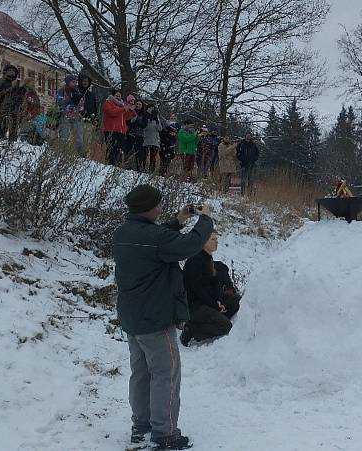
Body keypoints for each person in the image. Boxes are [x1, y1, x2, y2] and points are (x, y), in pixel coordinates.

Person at [113, 184, 213, 450]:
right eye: (158, 204)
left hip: (133, 318)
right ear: (148, 208)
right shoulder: (154, 238)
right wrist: (205, 219)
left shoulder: (123, 232)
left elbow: (153, 241)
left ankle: (141, 426)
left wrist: (177, 221)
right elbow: (190, 246)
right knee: (165, 375)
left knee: (141, 373)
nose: (161, 207)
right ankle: (165, 433)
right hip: (156, 319)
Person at [181, 232, 241, 345]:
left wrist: (218, 301)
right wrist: (215, 305)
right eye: (213, 239)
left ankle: (216, 317)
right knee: (225, 326)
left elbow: (215, 283)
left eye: (216, 239)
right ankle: (192, 329)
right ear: (203, 242)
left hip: (209, 301)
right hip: (194, 306)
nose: (216, 241)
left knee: (237, 300)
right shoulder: (194, 261)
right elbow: (197, 290)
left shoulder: (208, 258)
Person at [0, 64, 25, 142]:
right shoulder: (1, 81)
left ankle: (12, 147)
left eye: (14, 71)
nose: (12, 72)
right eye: (10, 70)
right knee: (3, 127)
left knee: (14, 129)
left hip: (15, 109)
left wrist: (22, 88)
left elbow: (21, 97)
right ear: (5, 71)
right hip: (4, 108)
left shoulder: (17, 83)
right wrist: (11, 87)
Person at [56, 74, 85, 153]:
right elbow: (59, 102)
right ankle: (62, 153)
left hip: (76, 115)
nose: (75, 83)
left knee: (79, 136)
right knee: (64, 135)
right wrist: (70, 98)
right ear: (68, 82)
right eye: (73, 82)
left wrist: (78, 101)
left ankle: (80, 154)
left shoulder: (77, 91)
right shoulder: (62, 90)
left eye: (76, 82)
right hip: (65, 115)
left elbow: (82, 106)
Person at [102, 90, 129, 166]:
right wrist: (122, 109)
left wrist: (129, 110)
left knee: (120, 149)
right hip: (111, 129)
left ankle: (118, 164)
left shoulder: (122, 105)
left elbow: (127, 117)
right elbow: (111, 112)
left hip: (121, 131)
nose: (118, 97)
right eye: (117, 95)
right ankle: (110, 164)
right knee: (111, 148)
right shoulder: (108, 103)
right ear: (113, 96)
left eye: (119, 96)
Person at [142, 104, 165, 173]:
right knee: (145, 156)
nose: (152, 110)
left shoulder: (156, 117)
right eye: (150, 108)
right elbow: (144, 127)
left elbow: (160, 129)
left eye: (153, 109)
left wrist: (157, 121)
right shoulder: (145, 115)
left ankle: (152, 170)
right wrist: (149, 121)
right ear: (147, 109)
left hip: (155, 140)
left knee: (153, 157)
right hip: (146, 139)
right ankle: (144, 169)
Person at [127, 100, 147, 171]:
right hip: (131, 133)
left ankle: (138, 167)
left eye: (139, 104)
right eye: (137, 104)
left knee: (139, 152)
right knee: (128, 150)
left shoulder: (144, 115)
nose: (138, 105)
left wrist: (138, 121)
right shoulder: (132, 111)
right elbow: (128, 121)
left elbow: (144, 125)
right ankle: (127, 164)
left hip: (140, 135)